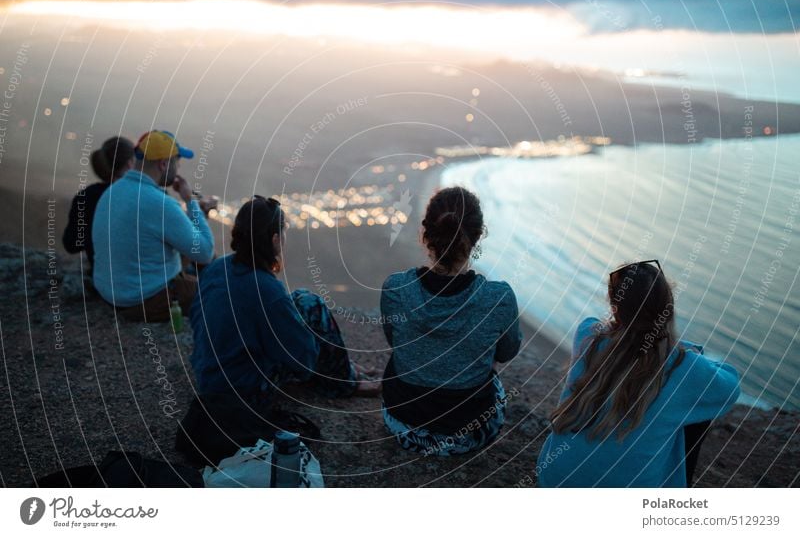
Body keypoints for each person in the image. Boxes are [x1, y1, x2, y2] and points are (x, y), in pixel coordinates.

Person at [536, 260, 741, 487]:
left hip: (554, 480)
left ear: (615, 308)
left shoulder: (588, 336)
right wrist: (679, 348)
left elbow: (605, 326)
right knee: (696, 409)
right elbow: (731, 385)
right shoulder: (685, 367)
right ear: (668, 307)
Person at [190, 195, 380, 408]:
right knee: (311, 304)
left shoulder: (217, 268)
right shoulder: (267, 290)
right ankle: (345, 381)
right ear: (274, 239)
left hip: (208, 376)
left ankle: (343, 368)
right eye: (283, 232)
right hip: (242, 391)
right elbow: (304, 362)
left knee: (297, 300)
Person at [380, 187, 522, 456]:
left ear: (425, 235)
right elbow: (507, 352)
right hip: (467, 437)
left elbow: (395, 342)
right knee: (492, 380)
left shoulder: (395, 288)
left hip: (402, 426)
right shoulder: (498, 298)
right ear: (478, 237)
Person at [92, 130, 216, 322]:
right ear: (164, 164)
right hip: (140, 299)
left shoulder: (112, 191)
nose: (179, 167)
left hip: (111, 292)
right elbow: (205, 252)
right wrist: (189, 200)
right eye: (178, 162)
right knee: (219, 292)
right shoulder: (160, 203)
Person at [62, 136, 135, 272]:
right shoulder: (141, 196)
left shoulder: (85, 197)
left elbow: (71, 245)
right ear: (130, 163)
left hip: (101, 277)